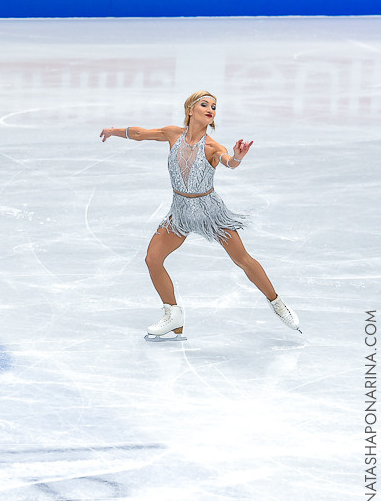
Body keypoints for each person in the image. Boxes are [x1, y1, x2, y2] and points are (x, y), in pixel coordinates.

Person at [100, 91, 300, 339]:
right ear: (190, 110)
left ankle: (277, 303)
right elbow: (140, 134)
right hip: (181, 212)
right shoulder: (173, 134)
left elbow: (229, 162)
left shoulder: (213, 147)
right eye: (204, 104)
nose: (210, 109)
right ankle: (173, 315)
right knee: (153, 259)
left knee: (242, 259)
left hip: (210, 211)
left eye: (214, 107)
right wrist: (113, 131)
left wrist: (237, 157)